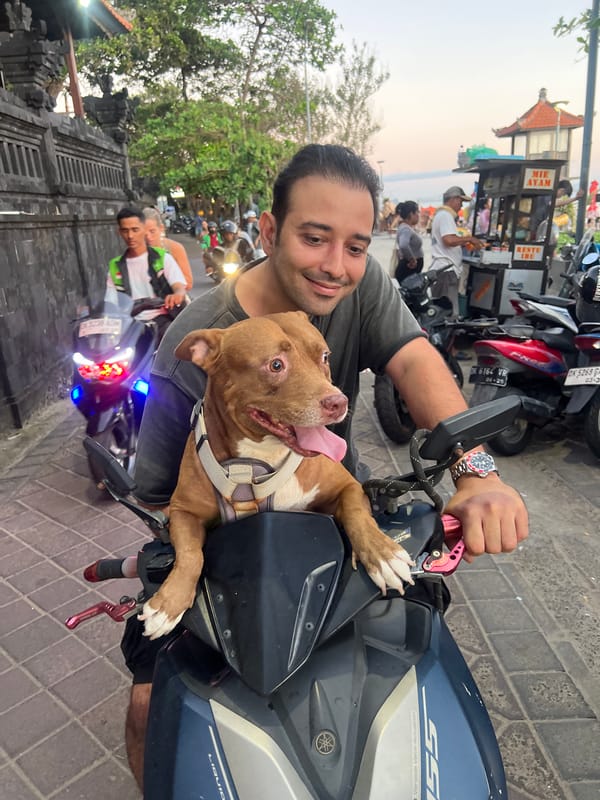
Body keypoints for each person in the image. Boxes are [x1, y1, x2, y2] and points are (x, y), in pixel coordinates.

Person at [122, 146, 528, 791]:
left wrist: (478, 473)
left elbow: (417, 362)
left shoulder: (361, 287)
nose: (336, 266)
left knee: (425, 646)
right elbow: (156, 491)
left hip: (331, 517)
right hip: (224, 548)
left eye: (357, 245)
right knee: (149, 703)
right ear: (269, 231)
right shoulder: (197, 340)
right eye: (315, 238)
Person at [106, 207, 187, 341]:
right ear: (119, 232)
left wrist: (177, 295)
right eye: (125, 231)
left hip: (162, 319)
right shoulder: (115, 266)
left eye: (135, 230)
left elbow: (179, 286)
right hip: (129, 324)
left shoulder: (163, 258)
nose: (130, 236)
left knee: (176, 345)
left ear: (143, 229)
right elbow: (110, 301)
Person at [430, 186, 485, 317]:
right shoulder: (445, 216)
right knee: (449, 315)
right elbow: (448, 240)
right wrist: (470, 239)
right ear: (454, 199)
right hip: (446, 271)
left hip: (441, 271)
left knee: (441, 312)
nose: (461, 206)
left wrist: (463, 242)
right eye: (460, 201)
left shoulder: (441, 215)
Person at [143, 207, 193, 290]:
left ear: (161, 228)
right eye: (144, 233)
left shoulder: (175, 248)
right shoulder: (137, 252)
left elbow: (188, 282)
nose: (148, 237)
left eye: (152, 231)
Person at [393, 200, 424, 283]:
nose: (419, 215)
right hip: (408, 269)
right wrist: (412, 259)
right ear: (411, 214)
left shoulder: (406, 228)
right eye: (417, 212)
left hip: (410, 269)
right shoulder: (406, 229)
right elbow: (403, 245)